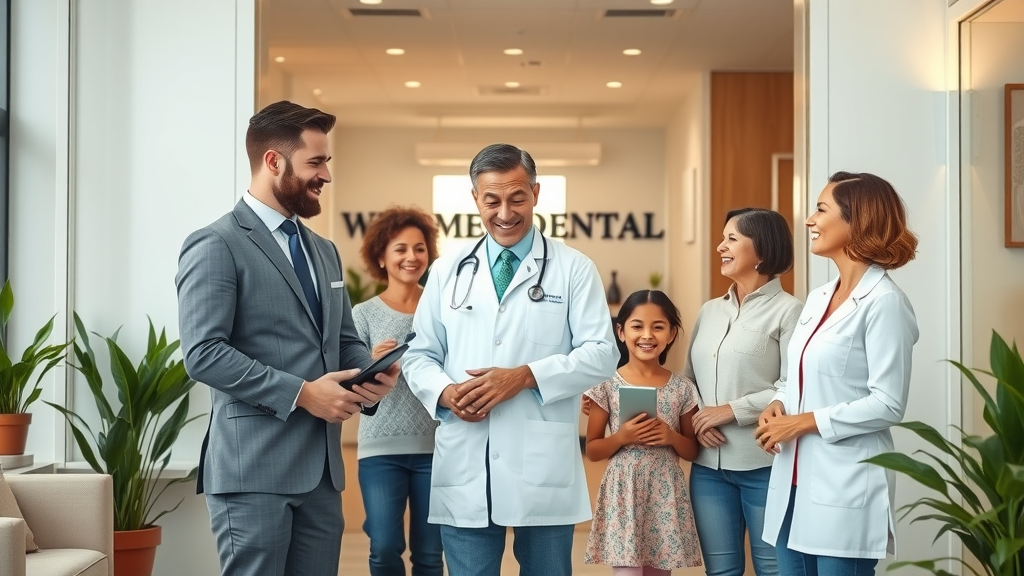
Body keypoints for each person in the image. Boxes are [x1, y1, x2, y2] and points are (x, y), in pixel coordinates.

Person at [175, 100, 397, 576]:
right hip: (253, 469)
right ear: (273, 161)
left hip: (321, 473)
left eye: (326, 162)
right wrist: (302, 394)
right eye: (316, 162)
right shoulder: (215, 243)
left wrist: (368, 376)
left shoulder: (323, 250)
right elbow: (203, 353)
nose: (326, 175)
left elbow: (340, 338)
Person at [402, 143, 618, 576]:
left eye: (517, 197)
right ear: (474, 200)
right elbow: (420, 353)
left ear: (536, 194)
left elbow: (602, 354)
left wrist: (524, 377)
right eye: (492, 200)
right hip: (467, 454)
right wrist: (444, 391)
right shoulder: (447, 271)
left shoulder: (573, 268)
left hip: (540, 460)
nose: (505, 212)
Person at [754, 171, 919, 575]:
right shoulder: (819, 296)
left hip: (844, 485)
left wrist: (803, 422)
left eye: (821, 209)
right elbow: (799, 376)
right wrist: (779, 404)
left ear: (856, 221)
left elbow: (888, 403)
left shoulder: (884, 302)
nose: (809, 220)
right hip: (793, 482)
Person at [684, 208, 802, 576]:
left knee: (774, 569)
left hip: (764, 464)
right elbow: (688, 379)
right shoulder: (709, 311)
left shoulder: (791, 311)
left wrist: (730, 410)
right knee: (720, 572)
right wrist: (699, 417)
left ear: (762, 251)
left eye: (732, 239)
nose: (721, 246)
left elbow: (795, 386)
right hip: (708, 468)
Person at [583, 290, 703, 576]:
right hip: (623, 492)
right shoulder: (605, 384)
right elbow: (594, 449)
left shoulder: (683, 388)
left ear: (672, 333)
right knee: (627, 571)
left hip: (664, 492)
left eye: (658, 327)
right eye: (637, 326)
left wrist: (671, 438)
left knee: (659, 572)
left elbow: (693, 450)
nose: (647, 335)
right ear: (621, 332)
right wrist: (622, 437)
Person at [352, 206, 443, 576]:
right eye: (400, 248)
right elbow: (352, 387)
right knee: (384, 548)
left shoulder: (442, 311)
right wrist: (370, 364)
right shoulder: (363, 314)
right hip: (379, 451)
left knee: (429, 554)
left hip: (436, 449)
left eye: (419, 248)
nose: (411, 257)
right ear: (381, 257)